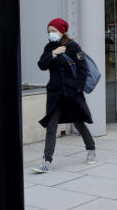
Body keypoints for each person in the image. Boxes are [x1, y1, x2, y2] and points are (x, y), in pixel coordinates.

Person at [34, 17, 96, 172]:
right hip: (55, 93)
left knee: (78, 122)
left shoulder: (73, 46)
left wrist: (78, 87)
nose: (51, 34)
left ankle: (91, 149)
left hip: (71, 92)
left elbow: (83, 69)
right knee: (51, 127)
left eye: (53, 31)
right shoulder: (49, 48)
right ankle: (46, 161)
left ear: (61, 31)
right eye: (49, 31)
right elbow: (41, 65)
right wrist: (54, 53)